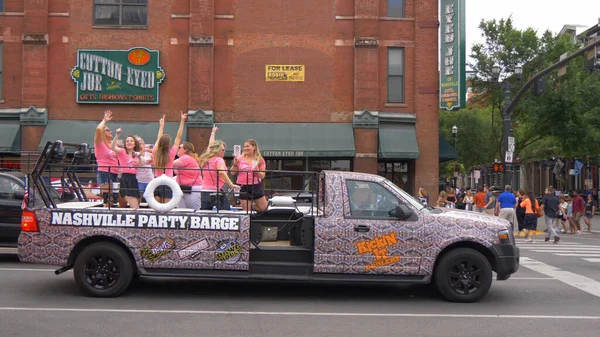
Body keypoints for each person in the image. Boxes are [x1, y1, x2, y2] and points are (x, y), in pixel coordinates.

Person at [199, 130, 240, 210]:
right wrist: (231, 184)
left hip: (204, 191)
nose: (224, 152)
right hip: (217, 192)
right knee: (225, 214)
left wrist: (213, 133)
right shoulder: (219, 160)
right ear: (216, 150)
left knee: (205, 214)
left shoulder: (206, 160)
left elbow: (210, 145)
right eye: (222, 150)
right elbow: (221, 172)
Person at [153, 112, 187, 202]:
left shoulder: (155, 151)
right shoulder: (171, 153)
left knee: (156, 204)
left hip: (157, 179)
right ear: (169, 144)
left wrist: (161, 126)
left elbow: (159, 137)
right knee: (166, 206)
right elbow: (178, 137)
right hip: (168, 179)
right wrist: (182, 121)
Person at [94, 110, 123, 206]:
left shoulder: (114, 144)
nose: (110, 131)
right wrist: (104, 121)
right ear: (103, 133)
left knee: (117, 198)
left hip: (115, 173)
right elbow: (98, 129)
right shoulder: (99, 143)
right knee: (108, 199)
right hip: (104, 172)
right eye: (107, 130)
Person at [230, 139, 268, 212]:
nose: (245, 148)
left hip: (255, 185)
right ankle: (246, 207)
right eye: (244, 146)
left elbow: (262, 176)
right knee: (246, 211)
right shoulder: (240, 158)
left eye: (248, 146)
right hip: (242, 185)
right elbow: (232, 172)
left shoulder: (259, 159)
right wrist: (235, 164)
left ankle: (249, 206)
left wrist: (257, 170)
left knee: (263, 208)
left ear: (254, 147)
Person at [110, 129, 141, 209]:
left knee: (136, 205)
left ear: (135, 144)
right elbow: (112, 147)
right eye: (127, 141)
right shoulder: (122, 152)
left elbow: (141, 165)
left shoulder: (136, 155)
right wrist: (117, 135)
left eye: (131, 141)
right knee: (135, 207)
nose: (129, 142)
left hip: (134, 179)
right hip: (126, 178)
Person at [173, 141, 203, 209]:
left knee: (193, 211)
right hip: (184, 188)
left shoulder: (186, 158)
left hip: (192, 189)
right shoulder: (187, 158)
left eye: (180, 147)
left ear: (185, 149)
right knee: (182, 211)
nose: (178, 149)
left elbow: (170, 164)